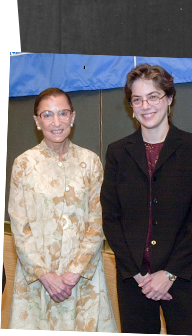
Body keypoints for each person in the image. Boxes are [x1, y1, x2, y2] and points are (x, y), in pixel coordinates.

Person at [101, 64, 192, 335]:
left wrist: (169, 274)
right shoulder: (117, 152)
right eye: (137, 99)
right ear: (131, 105)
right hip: (134, 280)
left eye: (154, 96)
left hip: (184, 277)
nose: (146, 105)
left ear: (169, 98)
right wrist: (139, 275)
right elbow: (111, 217)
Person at [8, 87, 118, 334]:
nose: (56, 122)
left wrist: (73, 273)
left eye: (63, 113)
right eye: (47, 115)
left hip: (82, 279)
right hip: (38, 281)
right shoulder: (24, 164)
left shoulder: (90, 162)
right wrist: (46, 276)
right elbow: (19, 226)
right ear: (37, 121)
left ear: (73, 117)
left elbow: (98, 220)